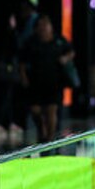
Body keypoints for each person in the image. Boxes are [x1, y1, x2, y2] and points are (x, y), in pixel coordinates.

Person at [19, 15, 75, 143]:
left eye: (46, 24)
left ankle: (49, 138)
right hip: (36, 82)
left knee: (51, 110)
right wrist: (24, 77)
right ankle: (41, 129)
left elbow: (71, 51)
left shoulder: (58, 40)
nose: (43, 28)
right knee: (35, 110)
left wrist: (65, 59)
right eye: (41, 25)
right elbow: (22, 61)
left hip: (54, 81)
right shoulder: (31, 42)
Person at [0, 13, 22, 145]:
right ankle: (1, 122)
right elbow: (16, 48)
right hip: (6, 70)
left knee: (2, 95)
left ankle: (3, 122)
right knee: (6, 96)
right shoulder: (9, 35)